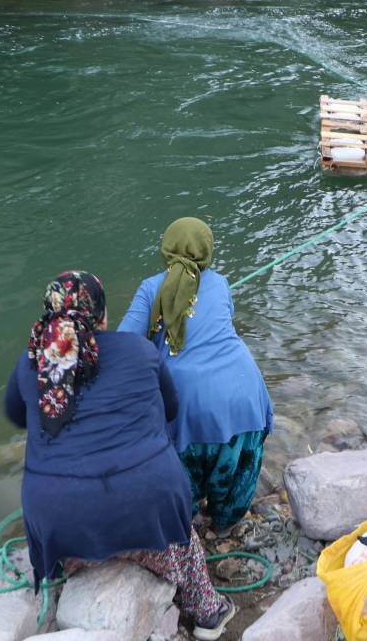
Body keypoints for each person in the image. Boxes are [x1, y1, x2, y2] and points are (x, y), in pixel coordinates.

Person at [4, 271, 236, 640]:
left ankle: (78, 575)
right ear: (102, 316)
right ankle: (207, 612)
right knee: (184, 539)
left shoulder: (30, 363)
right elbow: (171, 409)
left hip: (63, 527)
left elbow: (17, 415)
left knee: (72, 519)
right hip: (148, 512)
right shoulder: (139, 349)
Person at [119, 217, 273, 534]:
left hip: (187, 402)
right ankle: (225, 526)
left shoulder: (151, 289)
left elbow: (125, 347)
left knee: (181, 474)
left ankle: (185, 529)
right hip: (244, 392)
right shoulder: (220, 283)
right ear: (207, 251)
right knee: (235, 463)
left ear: (167, 249)